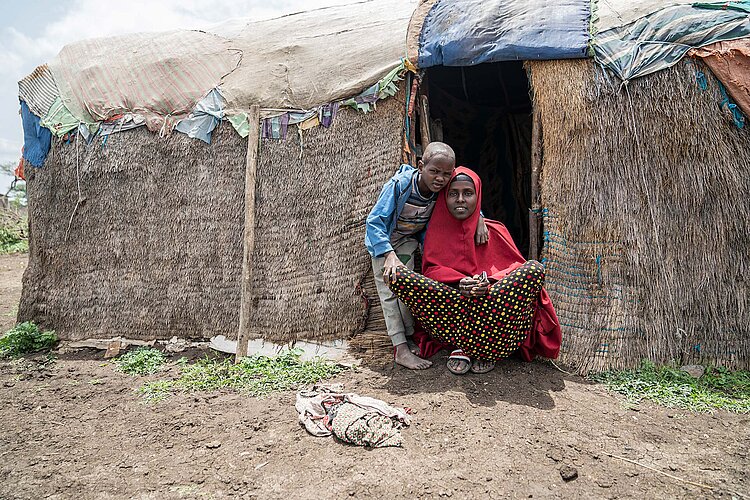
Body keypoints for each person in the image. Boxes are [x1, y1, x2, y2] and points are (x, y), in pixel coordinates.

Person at [386, 166, 561, 374]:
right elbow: (431, 271)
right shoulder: (435, 232)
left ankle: (484, 349)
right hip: (452, 318)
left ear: (477, 198)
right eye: (453, 193)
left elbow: (514, 267)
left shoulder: (494, 228)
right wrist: (459, 284)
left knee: (534, 269)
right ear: (444, 197)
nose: (460, 199)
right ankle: (469, 347)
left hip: (494, 319)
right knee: (398, 276)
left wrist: (489, 284)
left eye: (468, 193)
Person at [365, 143, 489, 370]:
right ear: (421, 166)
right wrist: (388, 254)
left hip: (408, 243)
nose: (440, 178)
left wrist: (479, 216)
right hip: (386, 245)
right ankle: (400, 348)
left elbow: (467, 189)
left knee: (407, 293)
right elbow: (374, 222)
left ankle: (410, 337)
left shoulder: (439, 189)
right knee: (390, 292)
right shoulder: (400, 186)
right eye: (434, 171)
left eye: (445, 173)